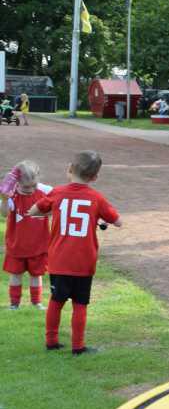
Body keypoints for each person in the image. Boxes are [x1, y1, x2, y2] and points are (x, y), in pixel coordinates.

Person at [27, 151, 123, 354]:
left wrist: (51, 211)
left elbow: (35, 210)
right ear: (95, 177)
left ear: (69, 169)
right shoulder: (97, 198)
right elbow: (118, 221)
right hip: (84, 261)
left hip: (59, 260)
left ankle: (51, 341)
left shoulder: (57, 193)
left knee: (56, 301)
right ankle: (78, 346)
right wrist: (101, 218)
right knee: (80, 304)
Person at [1, 160, 52, 309]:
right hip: (16, 245)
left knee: (36, 275)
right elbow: (4, 214)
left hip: (39, 245)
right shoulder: (11, 195)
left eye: (33, 186)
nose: (30, 190)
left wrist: (46, 212)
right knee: (15, 275)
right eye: (25, 187)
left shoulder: (45, 191)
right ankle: (14, 303)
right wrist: (4, 200)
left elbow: (57, 205)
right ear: (16, 182)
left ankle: (36, 302)